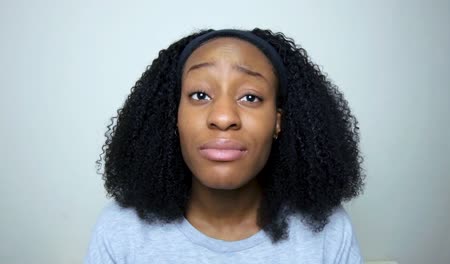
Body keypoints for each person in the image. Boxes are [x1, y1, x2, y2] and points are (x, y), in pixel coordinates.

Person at [85, 28, 365, 263]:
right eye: (200, 94)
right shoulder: (121, 230)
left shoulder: (329, 232)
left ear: (278, 122)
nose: (223, 117)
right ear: (174, 116)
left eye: (251, 98)